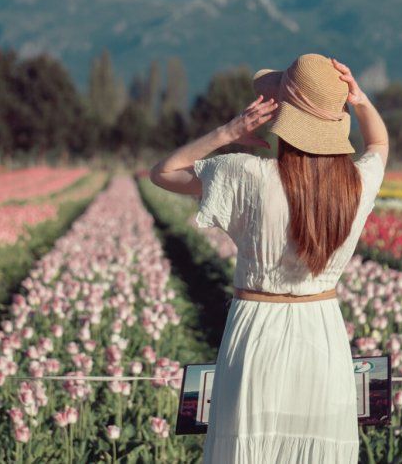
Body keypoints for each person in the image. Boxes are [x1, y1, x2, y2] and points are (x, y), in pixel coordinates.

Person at [149, 52, 389, 464]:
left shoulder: (248, 175)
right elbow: (380, 143)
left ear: (283, 116)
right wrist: (360, 100)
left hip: (258, 330)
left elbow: (164, 172)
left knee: (249, 448)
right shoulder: (357, 185)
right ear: (335, 121)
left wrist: (228, 132)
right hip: (323, 333)